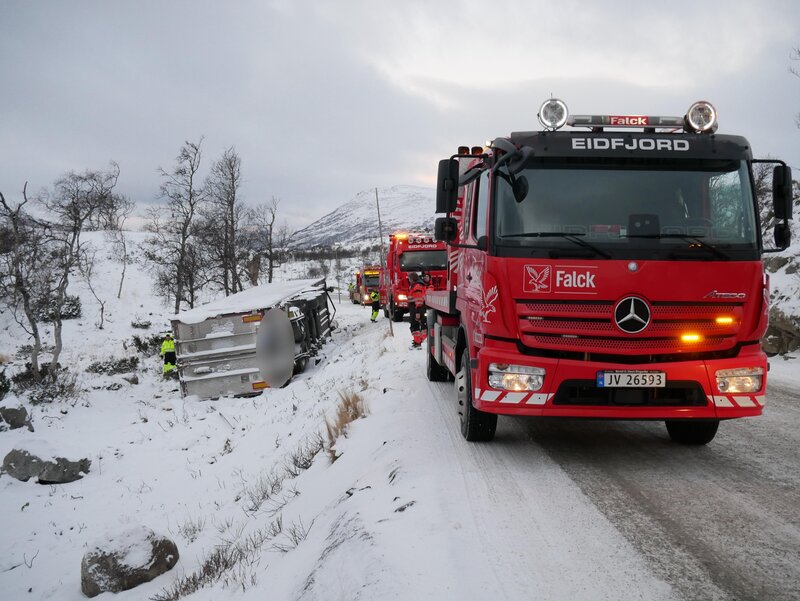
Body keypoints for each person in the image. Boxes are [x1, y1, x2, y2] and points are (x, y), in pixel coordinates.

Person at [408, 272, 427, 347]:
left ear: (412, 279)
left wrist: (418, 312)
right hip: (417, 308)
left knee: (414, 326)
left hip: (416, 309)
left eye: (409, 279)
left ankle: (418, 341)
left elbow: (418, 300)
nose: (409, 280)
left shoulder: (417, 286)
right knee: (421, 325)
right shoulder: (417, 285)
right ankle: (419, 340)